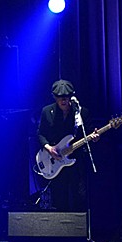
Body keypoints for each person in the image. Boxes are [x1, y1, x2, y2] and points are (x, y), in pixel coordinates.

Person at [36, 79, 98, 212]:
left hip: (76, 160)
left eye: (66, 96)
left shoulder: (81, 112)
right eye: (59, 97)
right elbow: (41, 134)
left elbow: (89, 132)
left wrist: (94, 138)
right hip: (55, 159)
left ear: (71, 96)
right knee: (59, 198)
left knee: (78, 196)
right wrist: (49, 148)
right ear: (54, 97)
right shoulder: (47, 111)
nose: (63, 100)